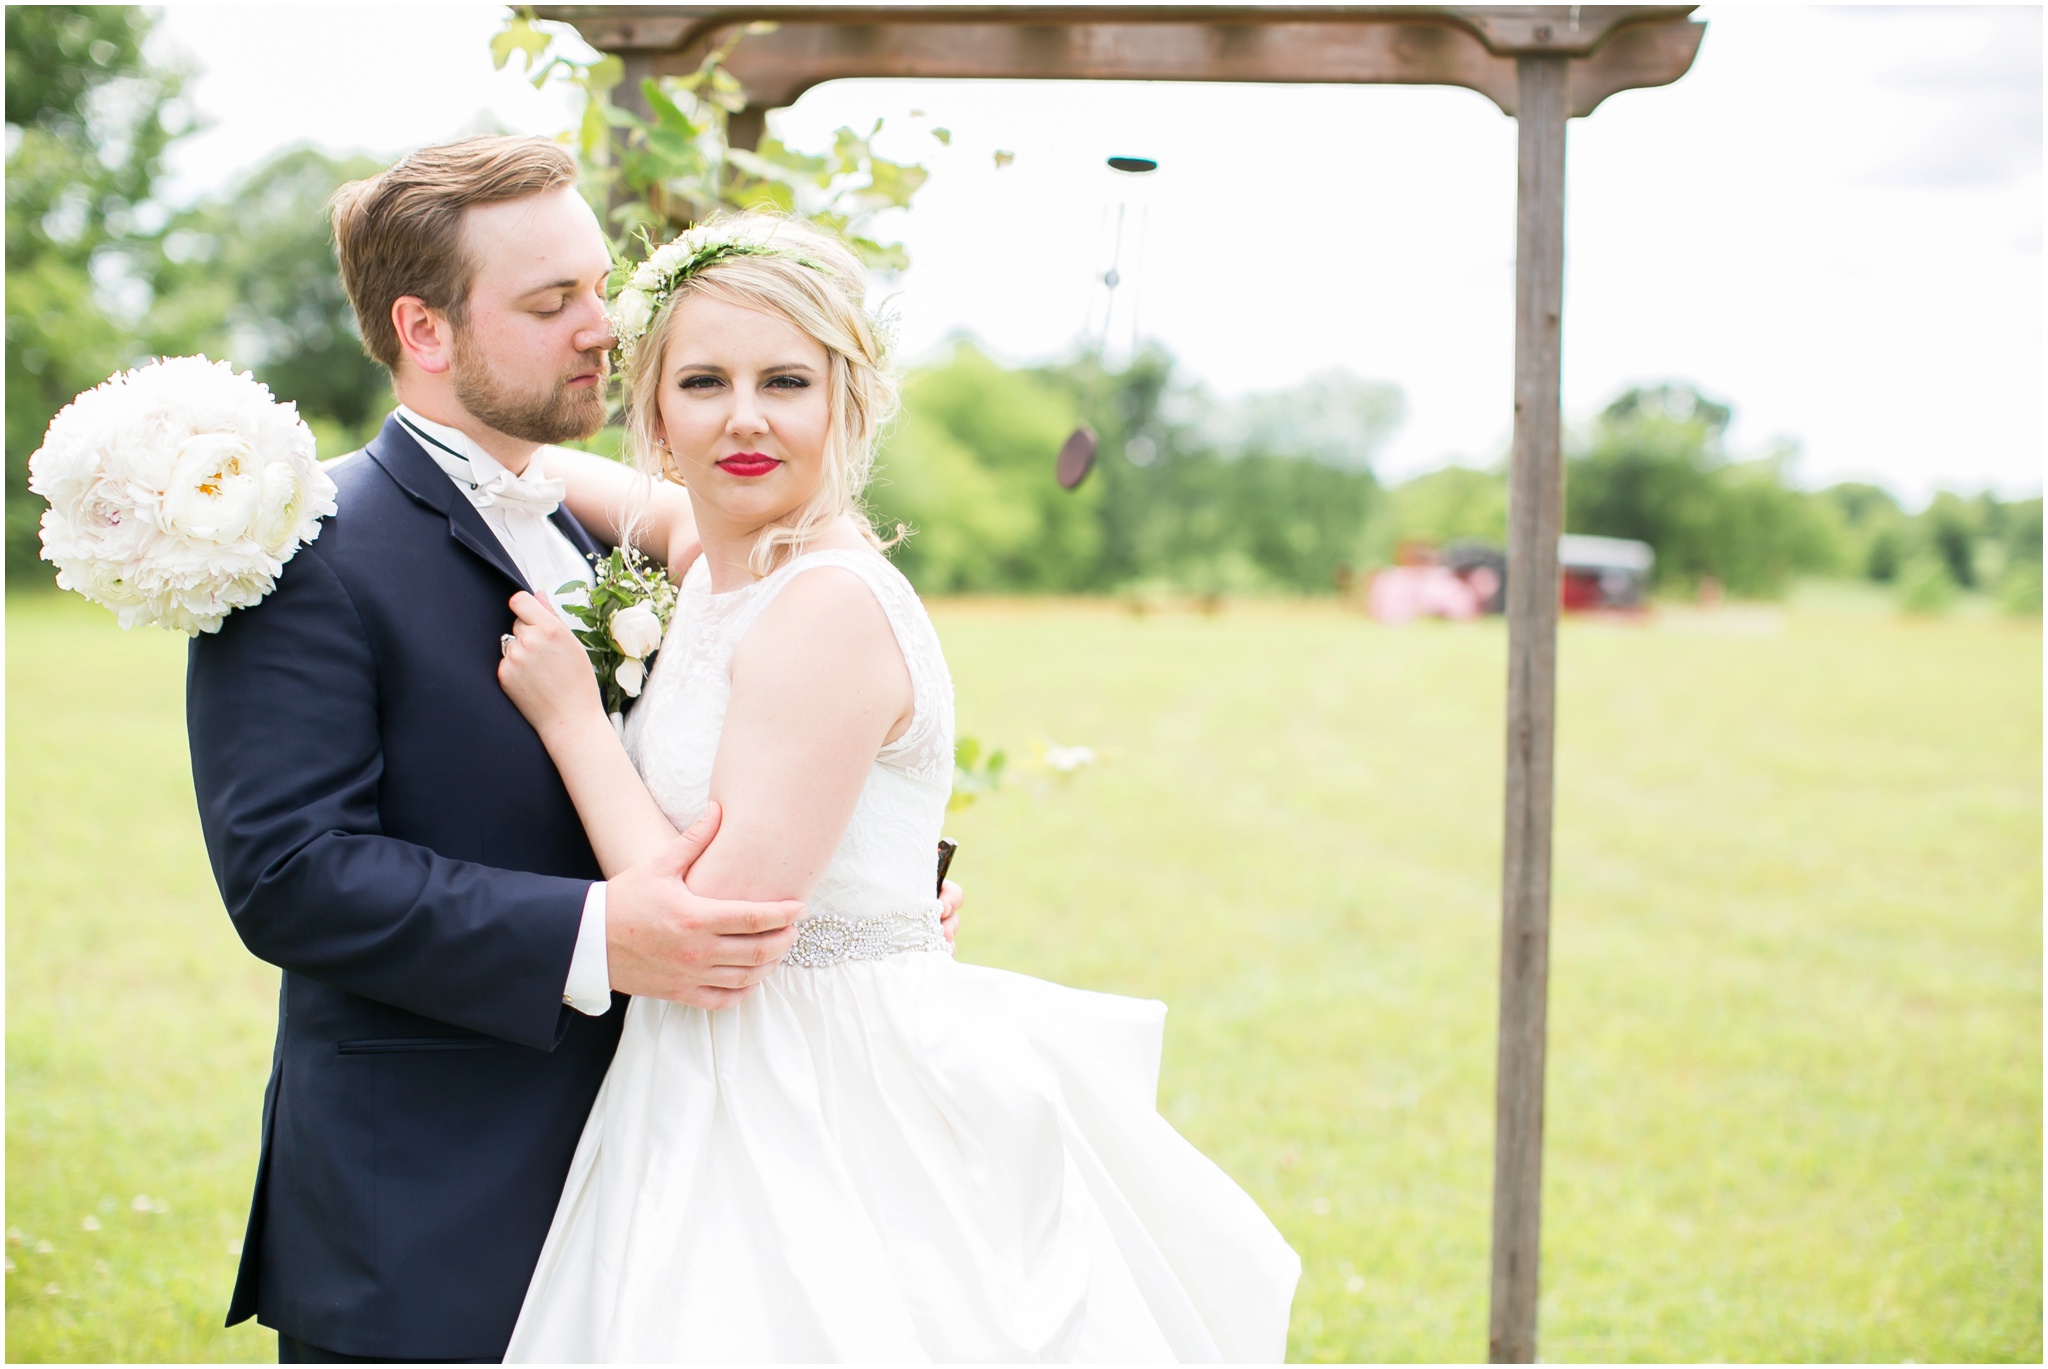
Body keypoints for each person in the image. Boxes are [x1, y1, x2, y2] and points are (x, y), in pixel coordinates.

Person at [184, 137, 965, 1363]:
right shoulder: (302, 551)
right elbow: (291, 874)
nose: (604, 327)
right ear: (424, 331)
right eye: (553, 303)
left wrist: (867, 898)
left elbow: (771, 725)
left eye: (600, 287)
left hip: (680, 1157)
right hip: (435, 1195)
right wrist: (607, 934)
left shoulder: (632, 531)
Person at [494, 212, 1301, 1361]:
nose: (745, 417)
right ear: (655, 415)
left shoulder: (823, 604)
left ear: (846, 402)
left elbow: (714, 930)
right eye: (703, 381)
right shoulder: (710, 556)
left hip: (818, 1086)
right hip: (700, 1077)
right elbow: (539, 471)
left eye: (786, 381)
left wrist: (575, 720)